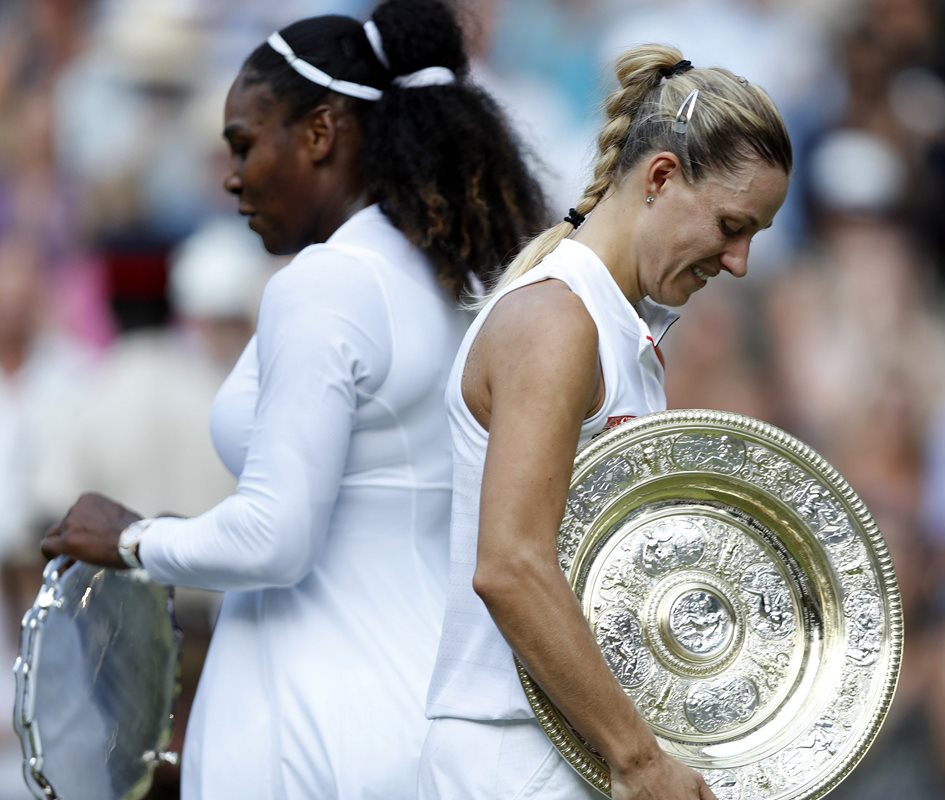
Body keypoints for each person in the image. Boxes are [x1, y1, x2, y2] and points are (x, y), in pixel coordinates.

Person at [40, 0, 546, 796]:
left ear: (320, 132)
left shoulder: (331, 284)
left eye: (243, 143)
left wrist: (133, 539)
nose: (231, 175)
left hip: (315, 722)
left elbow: (276, 539)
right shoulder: (447, 271)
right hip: (423, 714)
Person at [419, 44, 792, 799]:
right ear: (660, 177)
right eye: (730, 224)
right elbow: (511, 566)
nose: (740, 260)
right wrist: (639, 758)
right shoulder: (558, 321)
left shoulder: (616, 326)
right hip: (511, 759)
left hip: (564, 752)